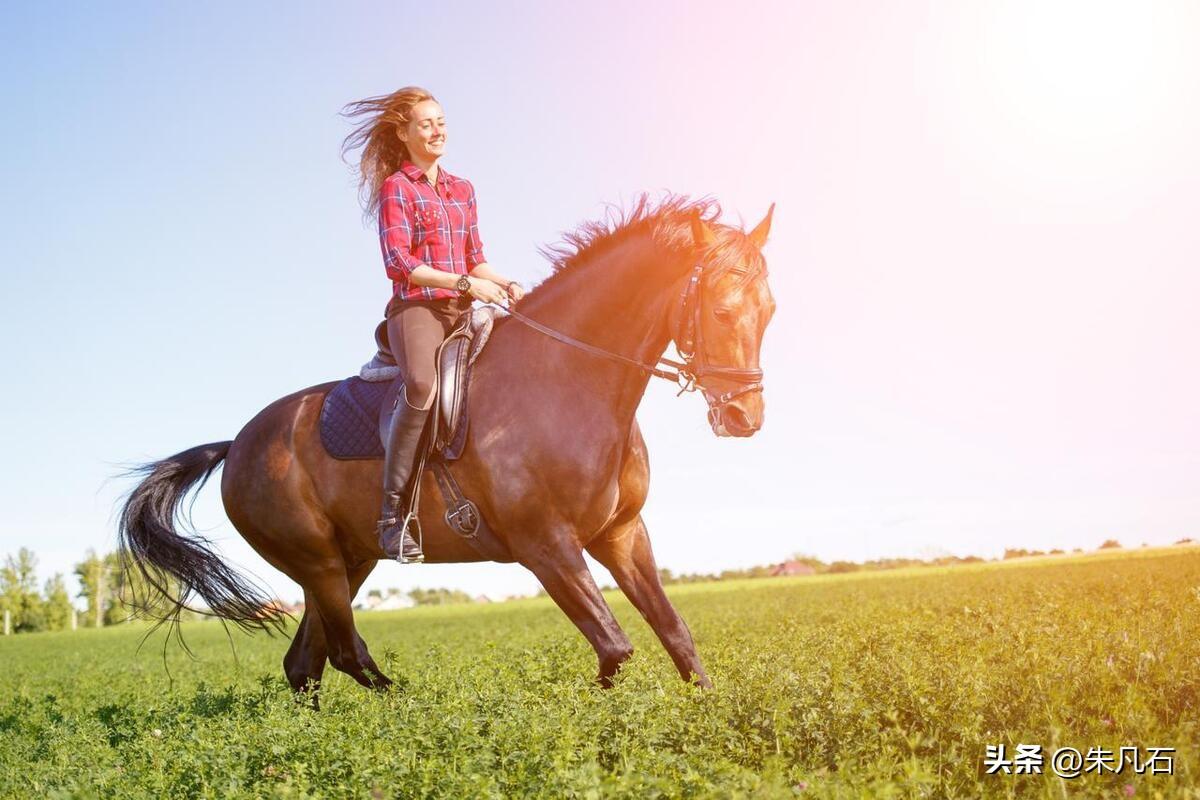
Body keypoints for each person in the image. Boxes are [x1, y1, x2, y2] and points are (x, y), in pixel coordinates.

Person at [341, 86, 526, 562]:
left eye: (441, 121)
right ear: (403, 133)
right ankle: (392, 515)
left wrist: (506, 282)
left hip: (462, 305)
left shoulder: (463, 188)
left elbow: (476, 259)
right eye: (426, 123)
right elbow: (400, 263)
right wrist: (464, 284)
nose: (437, 129)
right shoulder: (396, 188)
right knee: (422, 385)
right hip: (417, 310)